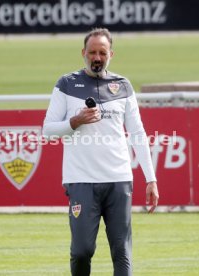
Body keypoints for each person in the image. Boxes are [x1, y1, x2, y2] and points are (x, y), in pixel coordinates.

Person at [43, 28, 159, 276]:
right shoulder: (66, 84)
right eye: (92, 52)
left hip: (118, 180)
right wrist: (75, 121)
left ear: (111, 54)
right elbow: (48, 131)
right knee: (82, 250)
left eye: (102, 52)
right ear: (83, 53)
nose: (97, 57)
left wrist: (151, 178)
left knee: (122, 252)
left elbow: (137, 133)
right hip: (81, 181)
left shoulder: (124, 86)